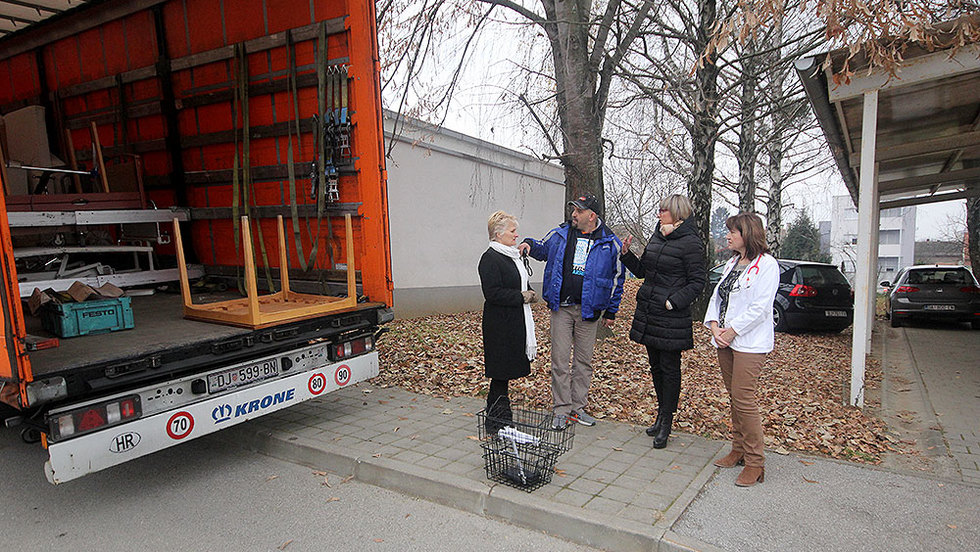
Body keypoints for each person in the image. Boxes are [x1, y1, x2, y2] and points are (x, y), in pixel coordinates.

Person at [518, 193, 626, 428]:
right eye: (573, 210)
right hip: (562, 308)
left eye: (578, 211)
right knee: (559, 361)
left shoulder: (610, 243)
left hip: (589, 311)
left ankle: (578, 408)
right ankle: (561, 409)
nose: (573, 214)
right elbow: (542, 248)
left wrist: (611, 312)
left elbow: (618, 279)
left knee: (583, 363)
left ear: (591, 215)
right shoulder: (561, 233)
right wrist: (528, 243)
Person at [619, 194, 706, 449]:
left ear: (676, 213)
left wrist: (674, 301)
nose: (658, 214)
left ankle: (667, 420)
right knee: (656, 367)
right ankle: (660, 415)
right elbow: (644, 271)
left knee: (669, 369)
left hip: (670, 316)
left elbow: (698, 282)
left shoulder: (691, 243)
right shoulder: (658, 235)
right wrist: (627, 255)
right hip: (650, 312)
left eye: (662, 211)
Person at [704, 212, 780, 487]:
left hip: (749, 342)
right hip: (724, 340)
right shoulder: (732, 263)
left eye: (732, 232)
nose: (728, 236)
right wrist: (714, 328)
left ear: (746, 233)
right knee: (734, 397)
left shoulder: (768, 265)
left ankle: (755, 462)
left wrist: (732, 331)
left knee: (744, 399)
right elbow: (717, 297)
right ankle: (738, 449)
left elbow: (760, 307)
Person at [479, 211, 537, 433]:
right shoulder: (490, 258)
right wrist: (522, 297)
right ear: (498, 234)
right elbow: (492, 293)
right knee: (500, 375)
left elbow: (521, 283)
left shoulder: (512, 256)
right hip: (499, 326)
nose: (516, 235)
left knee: (504, 376)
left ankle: (500, 420)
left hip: (514, 323)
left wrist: (529, 291)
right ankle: (498, 422)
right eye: (512, 231)